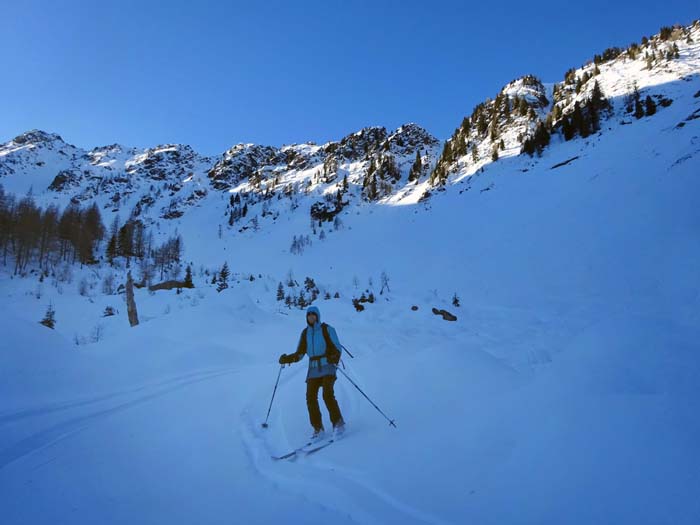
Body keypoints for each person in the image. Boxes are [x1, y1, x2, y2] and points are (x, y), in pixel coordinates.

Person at [278, 305, 345, 438]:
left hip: (328, 366)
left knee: (327, 394)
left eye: (313, 314)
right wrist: (287, 359)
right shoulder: (305, 333)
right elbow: (300, 354)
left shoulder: (327, 329)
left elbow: (337, 347)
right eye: (309, 315)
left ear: (318, 316)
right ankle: (318, 428)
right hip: (313, 369)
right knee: (310, 398)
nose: (311, 317)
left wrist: (334, 357)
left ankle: (338, 423)